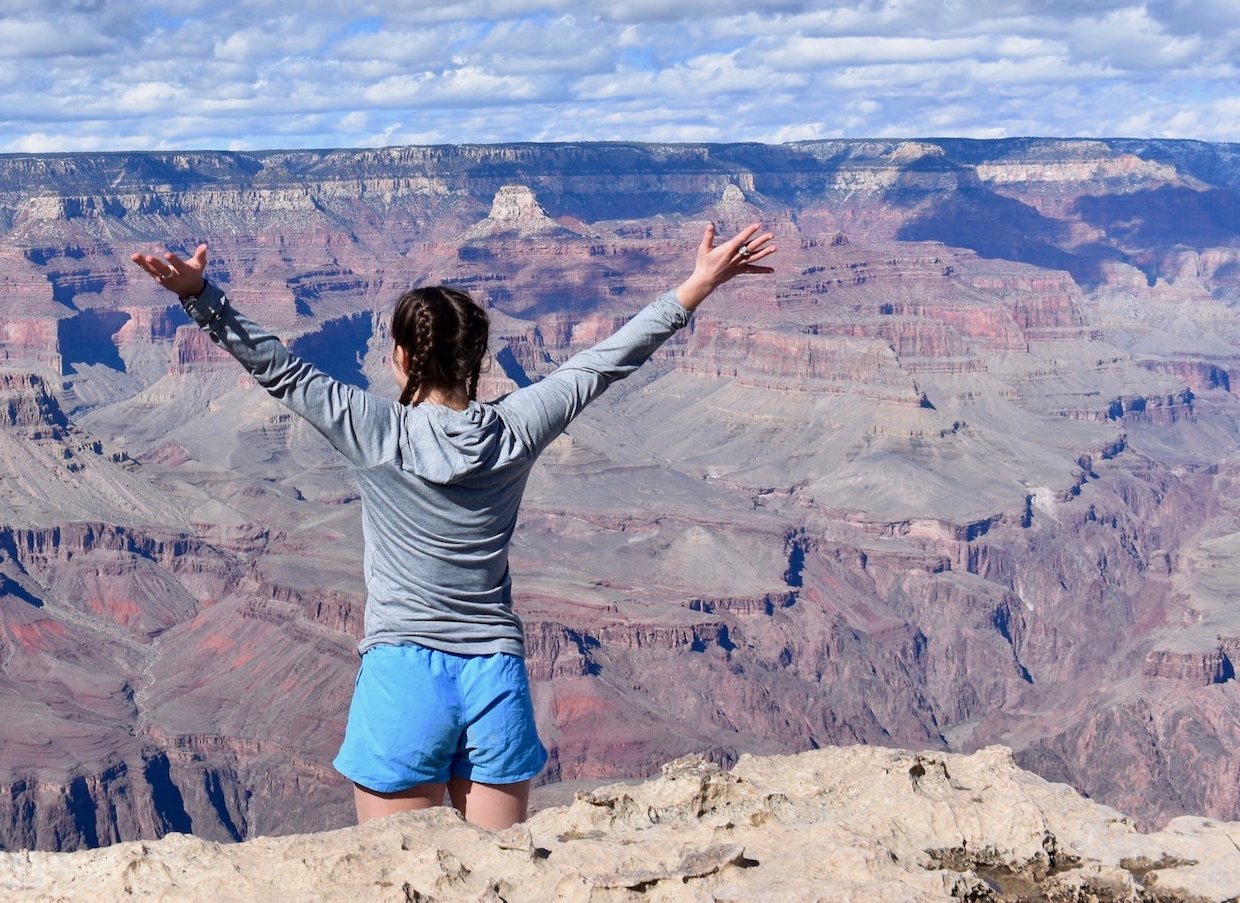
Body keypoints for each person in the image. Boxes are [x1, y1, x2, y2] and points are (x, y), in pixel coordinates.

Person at [130, 221, 775, 830]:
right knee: (495, 877)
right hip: (494, 675)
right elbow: (604, 362)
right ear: (479, 358)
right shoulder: (519, 428)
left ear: (401, 357)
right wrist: (698, 284)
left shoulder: (372, 429)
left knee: (398, 878)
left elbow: (280, 369)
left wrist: (200, 296)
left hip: (403, 676)